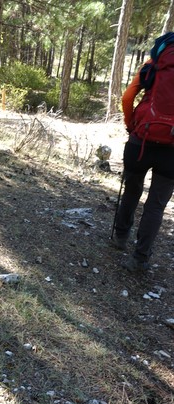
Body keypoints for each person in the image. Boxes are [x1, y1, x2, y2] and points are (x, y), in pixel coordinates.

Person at [112, 33, 174, 273]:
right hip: (171, 150)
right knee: (156, 205)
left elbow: (128, 97)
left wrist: (131, 124)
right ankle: (140, 258)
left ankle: (120, 236)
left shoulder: (151, 67)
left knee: (132, 189)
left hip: (141, 140)